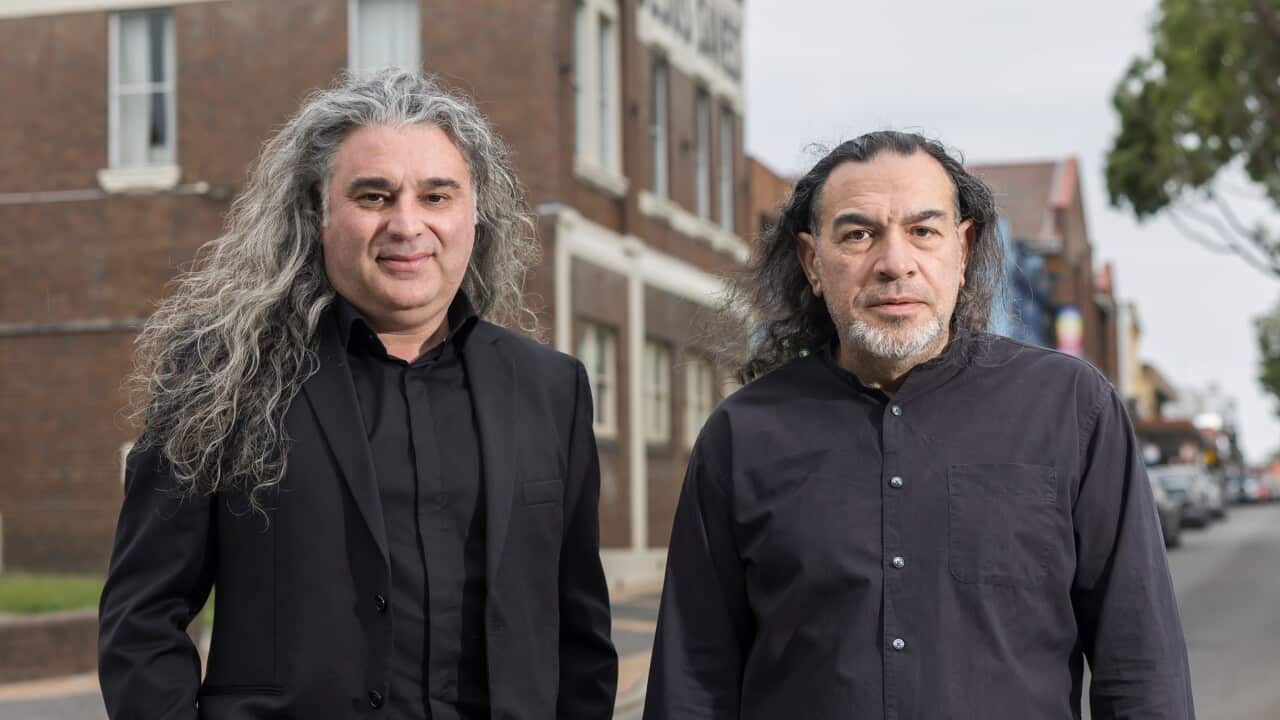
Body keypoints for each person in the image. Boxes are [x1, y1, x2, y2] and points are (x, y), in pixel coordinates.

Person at [99, 69, 617, 720]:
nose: (407, 225)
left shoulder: (552, 389)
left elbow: (581, 639)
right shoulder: (220, 375)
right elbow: (143, 618)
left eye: (436, 196)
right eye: (374, 196)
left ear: (474, 212)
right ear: (318, 212)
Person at [643, 131, 1193, 719]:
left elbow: (1141, 668)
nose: (894, 264)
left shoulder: (1072, 410)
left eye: (923, 232)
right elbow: (692, 681)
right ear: (812, 263)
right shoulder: (743, 435)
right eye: (858, 235)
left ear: (962, 250)